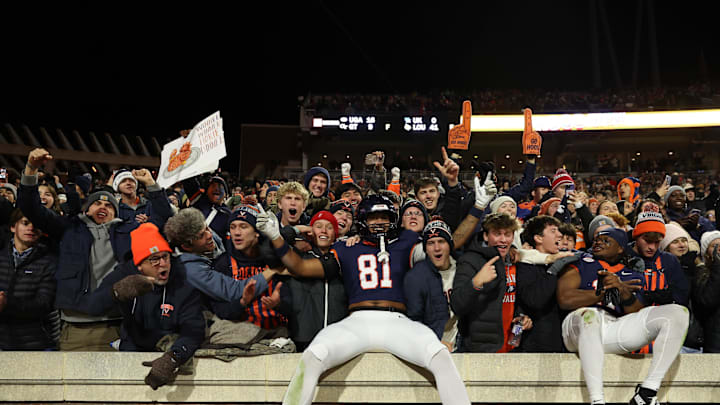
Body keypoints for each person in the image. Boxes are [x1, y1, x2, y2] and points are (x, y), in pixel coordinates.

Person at [256, 194, 470, 405]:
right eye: (373, 217)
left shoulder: (406, 242)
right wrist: (276, 236)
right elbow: (300, 267)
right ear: (362, 221)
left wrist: (478, 207)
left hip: (397, 321)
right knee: (313, 356)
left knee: (440, 355)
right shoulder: (345, 247)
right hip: (356, 322)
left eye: (384, 217)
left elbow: (447, 244)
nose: (379, 222)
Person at [557, 227, 689, 405]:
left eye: (606, 240)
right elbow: (564, 299)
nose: (598, 242)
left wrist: (622, 291)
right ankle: (597, 400)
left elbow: (635, 313)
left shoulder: (633, 274)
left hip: (612, 326)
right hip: (575, 328)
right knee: (590, 316)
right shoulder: (581, 262)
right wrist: (602, 294)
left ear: (620, 248)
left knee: (678, 312)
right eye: (597, 239)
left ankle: (647, 392)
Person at [19, 148, 128, 350]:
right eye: (96, 203)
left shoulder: (126, 232)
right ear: (86, 209)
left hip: (115, 326)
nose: (103, 206)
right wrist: (31, 168)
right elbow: (29, 207)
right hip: (74, 327)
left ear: (116, 213)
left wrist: (153, 188)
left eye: (109, 205)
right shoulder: (69, 227)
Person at [110, 223, 205, 390]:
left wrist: (173, 358)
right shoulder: (129, 284)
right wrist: (118, 294)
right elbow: (100, 305)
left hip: (168, 357)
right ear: (140, 265)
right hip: (130, 360)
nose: (162, 264)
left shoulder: (185, 289)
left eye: (165, 257)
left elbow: (193, 331)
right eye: (154, 259)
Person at [450, 213, 533, 353]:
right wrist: (476, 283)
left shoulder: (514, 262)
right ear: (486, 236)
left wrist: (522, 316)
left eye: (507, 234)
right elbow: (457, 305)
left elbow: (513, 298)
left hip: (512, 344)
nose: (503, 240)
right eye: (497, 234)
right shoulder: (470, 260)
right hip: (481, 348)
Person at [285, 210, 348, 351]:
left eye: (329, 227)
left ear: (335, 234)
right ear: (311, 231)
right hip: (303, 337)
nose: (324, 230)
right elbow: (271, 249)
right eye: (318, 226)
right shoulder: (298, 256)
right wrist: (296, 229)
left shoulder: (344, 257)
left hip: (338, 338)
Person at [0, 209, 59, 350]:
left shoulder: (50, 262)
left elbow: (44, 303)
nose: (31, 228)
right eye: (25, 223)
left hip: (37, 343)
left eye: (36, 225)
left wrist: (6, 304)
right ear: (13, 227)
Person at [404, 219, 456, 350]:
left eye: (441, 241)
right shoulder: (415, 277)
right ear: (425, 249)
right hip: (432, 351)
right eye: (431, 243)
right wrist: (433, 343)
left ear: (450, 245)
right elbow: (413, 323)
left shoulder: (464, 269)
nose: (437, 248)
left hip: (464, 347)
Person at [515, 215, 565, 352]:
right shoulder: (524, 266)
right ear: (538, 238)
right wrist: (552, 272)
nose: (560, 235)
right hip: (533, 347)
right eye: (553, 231)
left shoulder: (563, 264)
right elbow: (534, 300)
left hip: (560, 344)